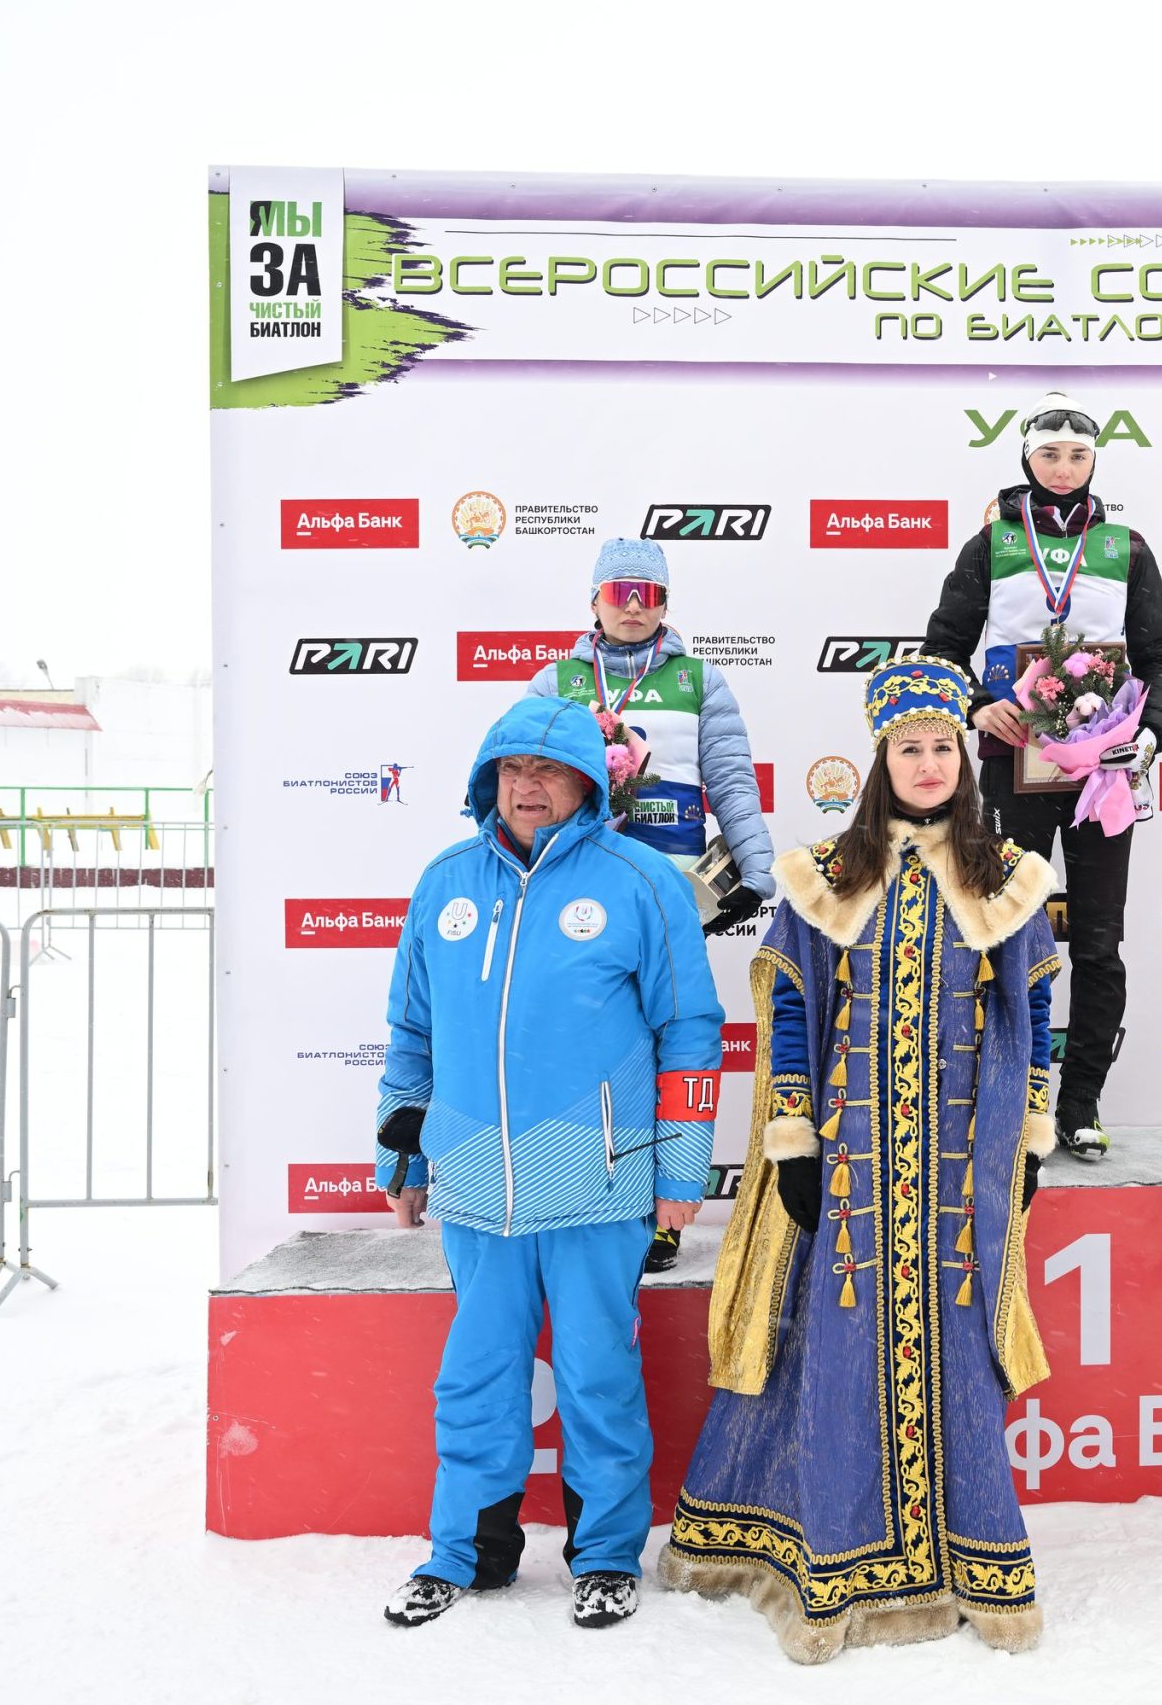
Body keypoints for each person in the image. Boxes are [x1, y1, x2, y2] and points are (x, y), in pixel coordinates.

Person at [660, 655, 1061, 1664]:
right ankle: (836, 1558)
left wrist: (1030, 1134)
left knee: (960, 1352)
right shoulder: (828, 874)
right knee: (835, 1353)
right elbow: (794, 1009)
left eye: (943, 747)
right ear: (882, 761)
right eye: (908, 748)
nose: (928, 764)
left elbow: (1036, 1013)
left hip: (960, 1170)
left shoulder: (1006, 876)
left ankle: (967, 1559)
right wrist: (793, 1136)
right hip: (854, 1167)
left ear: (964, 759)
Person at [372, 695, 725, 1631]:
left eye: (549, 769)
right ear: (488, 779)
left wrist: (680, 1173)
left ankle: (604, 1553)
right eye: (512, 769)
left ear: (589, 782)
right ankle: (465, 1552)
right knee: (475, 1376)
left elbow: (691, 1032)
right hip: (476, 1184)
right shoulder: (444, 882)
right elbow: (411, 1033)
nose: (527, 786)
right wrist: (402, 1158)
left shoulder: (641, 881)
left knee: (597, 1375)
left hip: (598, 1181)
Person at [920, 390, 1162, 1162]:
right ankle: (1017, 1097)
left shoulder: (1127, 546)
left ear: (1094, 459)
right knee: (1009, 932)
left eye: (1077, 455)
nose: (1063, 467)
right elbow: (942, 650)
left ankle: (1081, 1103)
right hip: (1014, 768)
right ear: (1026, 457)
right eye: (1048, 453)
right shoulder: (991, 542)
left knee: (1098, 943)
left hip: (1104, 774)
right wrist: (978, 704)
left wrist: (1153, 734)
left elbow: (1160, 659)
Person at [529, 535, 775, 1272]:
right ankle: (590, 1196)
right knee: (588, 1045)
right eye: (619, 593)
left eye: (648, 594)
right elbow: (522, 781)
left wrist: (756, 872)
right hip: (577, 896)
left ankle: (665, 1207)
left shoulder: (700, 679)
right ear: (594, 601)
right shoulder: (556, 680)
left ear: (666, 603)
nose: (633, 607)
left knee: (674, 1046)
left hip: (672, 893)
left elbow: (731, 781)